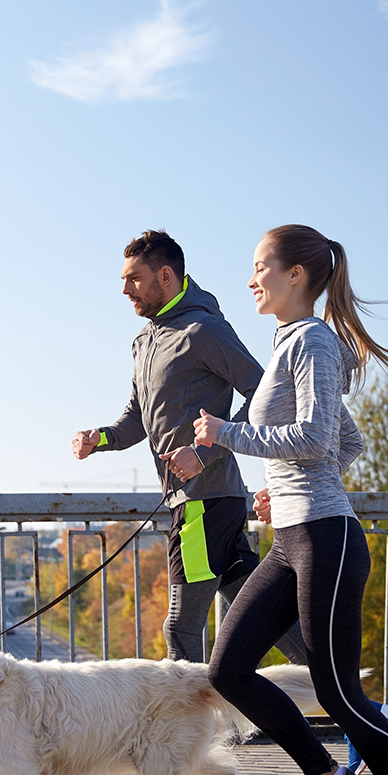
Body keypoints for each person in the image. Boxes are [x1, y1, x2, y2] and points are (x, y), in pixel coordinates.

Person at [195, 224, 388, 775]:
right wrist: (279, 490)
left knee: (340, 693)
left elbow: (313, 435)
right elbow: (347, 443)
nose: (252, 279)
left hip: (327, 540)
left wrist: (227, 434)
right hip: (293, 534)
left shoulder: (312, 340)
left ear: (297, 276)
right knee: (228, 669)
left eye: (260, 267)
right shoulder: (293, 343)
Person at [72, 229, 307, 666]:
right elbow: (137, 419)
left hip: (204, 501)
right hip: (203, 501)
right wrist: (98, 439)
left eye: (134, 278)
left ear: (165, 275)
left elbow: (263, 394)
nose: (125, 289)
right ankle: (358, 705)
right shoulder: (144, 342)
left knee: (180, 628)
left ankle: (195, 734)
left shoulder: (204, 330)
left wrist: (204, 452)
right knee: (264, 616)